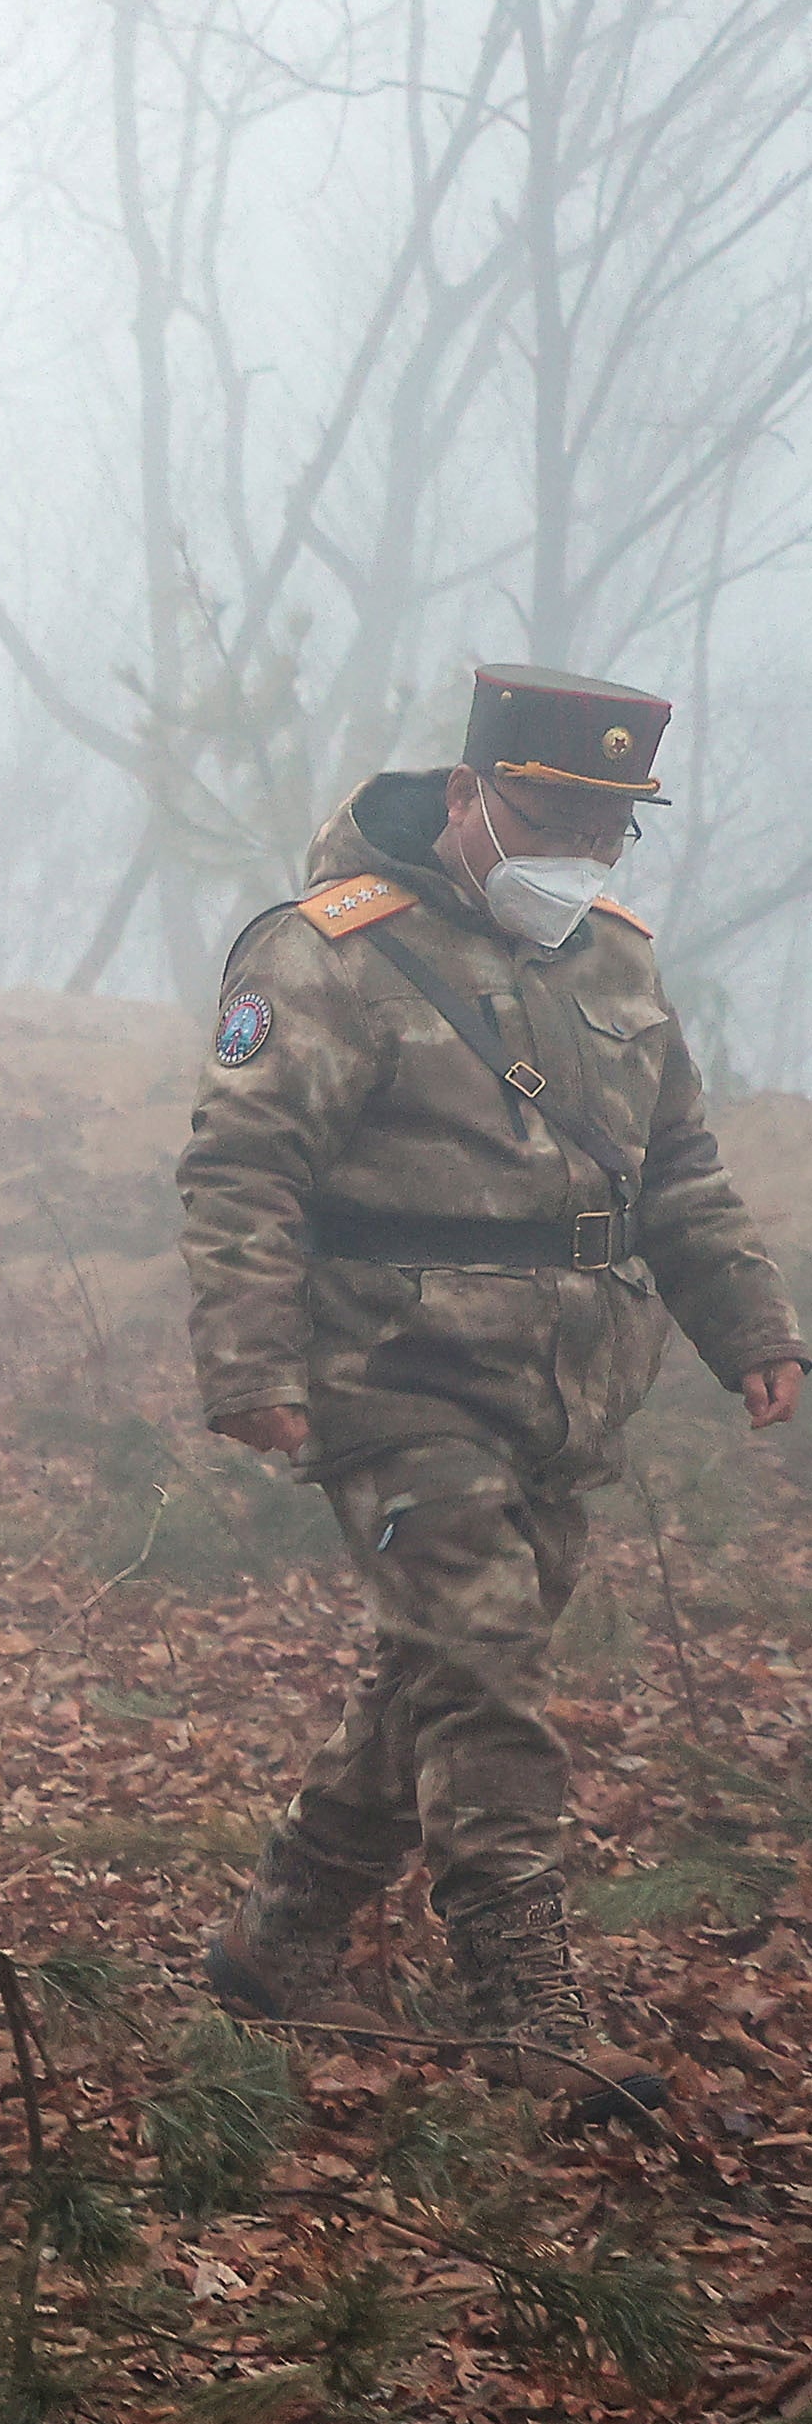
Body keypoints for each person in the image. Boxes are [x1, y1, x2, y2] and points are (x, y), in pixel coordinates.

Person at [181, 662, 805, 2125]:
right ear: (467, 793)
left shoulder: (617, 960)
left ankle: (280, 1933)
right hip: (389, 1374)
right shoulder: (324, 952)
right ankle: (528, 1999)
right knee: (484, 1666)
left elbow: (679, 1172)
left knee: (436, 1672)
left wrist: (751, 1326)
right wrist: (254, 1365)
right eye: (547, 815)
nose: (575, 854)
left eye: (606, 828)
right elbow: (242, 1171)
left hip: (568, 1383)